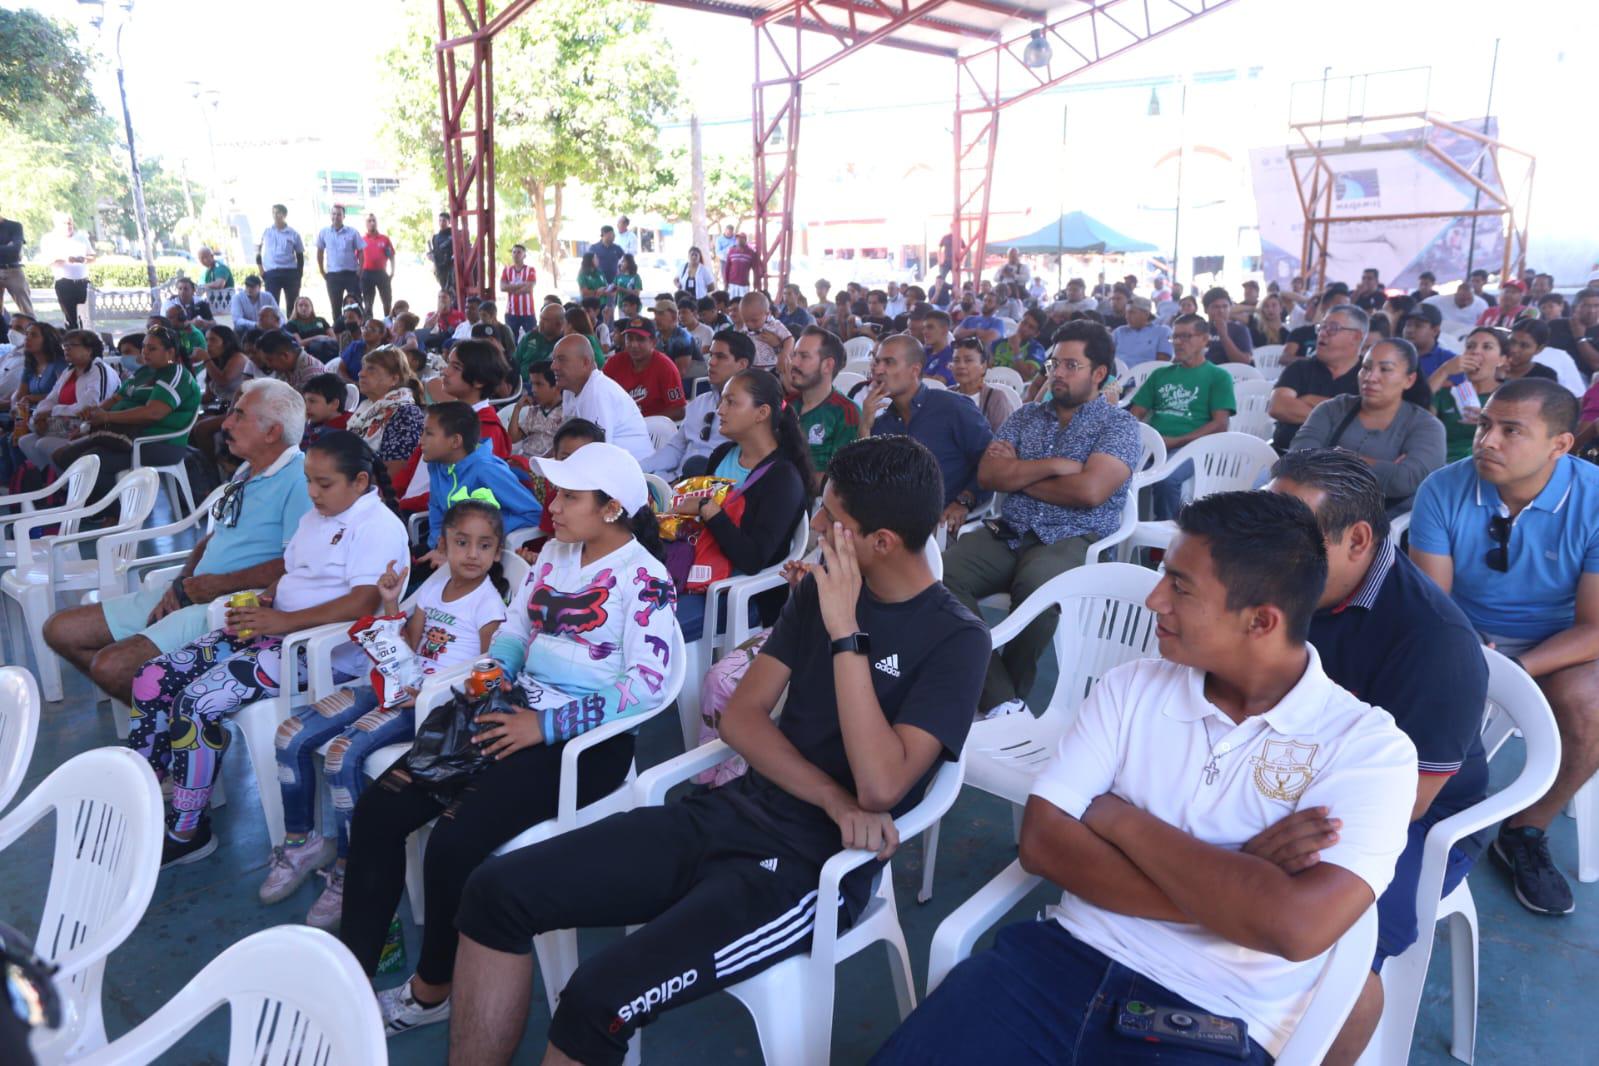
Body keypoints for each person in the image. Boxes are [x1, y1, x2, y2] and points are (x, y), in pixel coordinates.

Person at [447, 434, 983, 1064]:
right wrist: (831, 797)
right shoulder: (819, 590)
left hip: (810, 872)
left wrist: (847, 635)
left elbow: (881, 787)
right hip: (736, 812)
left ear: (880, 542)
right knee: (493, 892)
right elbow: (742, 719)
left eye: (831, 519)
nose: (815, 526)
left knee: (597, 996)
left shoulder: (956, 638)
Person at [877, 491, 1416, 1066]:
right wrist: (1243, 883)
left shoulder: (1367, 750)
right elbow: (1041, 844)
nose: (1155, 599)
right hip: (1058, 960)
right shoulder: (1130, 686)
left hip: (1215, 1018)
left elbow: (1294, 926)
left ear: (1261, 620)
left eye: (1180, 587)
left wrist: (1116, 817)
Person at [337, 441, 678, 1035]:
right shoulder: (553, 554)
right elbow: (518, 625)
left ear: (612, 509)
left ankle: (432, 990)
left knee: (452, 842)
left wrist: (544, 726)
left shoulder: (643, 579)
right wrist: (500, 669)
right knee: (380, 808)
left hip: (583, 744)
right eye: (556, 492)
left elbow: (647, 685)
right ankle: (350, 976)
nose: (554, 505)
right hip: (515, 709)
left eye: (570, 496)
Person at [1266, 449, 1489, 1062]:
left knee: (1331, 963)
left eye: (1286, 536)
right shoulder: (1281, 584)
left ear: (1357, 540)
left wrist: (1266, 822)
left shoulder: (1433, 641)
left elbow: (1405, 804)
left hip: (1420, 818)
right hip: (1293, 772)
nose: (1263, 552)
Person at [131, 430, 409, 868]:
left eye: (324, 483)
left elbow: (363, 602)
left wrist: (282, 621)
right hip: (274, 630)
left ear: (359, 481)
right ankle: (146, 794)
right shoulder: (317, 517)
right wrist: (269, 597)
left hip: (320, 652)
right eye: (309, 481)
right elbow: (296, 570)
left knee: (197, 702)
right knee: (152, 678)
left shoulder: (378, 527)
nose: (312, 493)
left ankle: (189, 828)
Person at [264, 499, 509, 927]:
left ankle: (348, 869)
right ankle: (301, 840)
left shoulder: (486, 605)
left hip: (429, 705)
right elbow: (408, 644)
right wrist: (392, 602)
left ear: (497, 552)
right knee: (290, 734)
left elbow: (491, 671)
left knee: (342, 755)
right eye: (462, 542)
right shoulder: (434, 584)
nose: (472, 554)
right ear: (443, 545)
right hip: (393, 685)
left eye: (484, 546)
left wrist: (433, 691)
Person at [1410, 378, 1599, 916]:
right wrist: (1469, 650)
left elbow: (1594, 628)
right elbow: (1433, 604)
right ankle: (1424, 820)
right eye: (1486, 424)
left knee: (1591, 703)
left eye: (1511, 430)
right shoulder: (1444, 489)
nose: (1487, 441)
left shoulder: (1594, 499)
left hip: (1558, 642)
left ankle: (1525, 830)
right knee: (1414, 687)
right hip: (1462, 631)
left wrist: (1516, 668)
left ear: (1559, 445)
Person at [44, 379, 313, 705]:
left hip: (229, 606)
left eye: (239, 416)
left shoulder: (299, 480)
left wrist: (214, 586)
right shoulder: (247, 470)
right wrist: (181, 584)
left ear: (272, 432)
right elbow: (216, 535)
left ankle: (176, 720)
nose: (226, 423)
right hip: (196, 591)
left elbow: (297, 563)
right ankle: (169, 714)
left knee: (112, 667)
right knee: (60, 630)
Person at [942, 321, 1140, 718]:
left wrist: (1020, 476)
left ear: (1099, 373)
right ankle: (1001, 698)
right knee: (936, 576)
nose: (1057, 374)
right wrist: (1056, 467)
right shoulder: (1026, 415)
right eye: (1053, 364)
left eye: (1071, 365)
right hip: (1008, 531)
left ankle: (1002, 694)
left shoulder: (1118, 425)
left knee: (1038, 590)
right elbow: (989, 476)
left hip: (1069, 536)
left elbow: (1090, 492)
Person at [669, 367, 813, 641]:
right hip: (698, 574)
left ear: (762, 413)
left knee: (655, 624)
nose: (720, 410)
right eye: (721, 400)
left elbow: (753, 559)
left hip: (741, 594)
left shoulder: (782, 478)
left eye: (731, 402)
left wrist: (707, 508)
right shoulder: (723, 454)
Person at [1287, 338, 1444, 515]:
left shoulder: (1427, 427)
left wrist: (1333, 455)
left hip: (1381, 521)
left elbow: (1404, 480)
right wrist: (1382, 466)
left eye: (1385, 369)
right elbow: (1298, 457)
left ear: (1409, 379)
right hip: (1314, 510)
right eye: (1366, 367)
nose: (1370, 377)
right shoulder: (1332, 408)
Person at [49, 324, 200, 502]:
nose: (145, 352)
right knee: (63, 455)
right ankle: (90, 507)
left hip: (158, 443)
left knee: (90, 463)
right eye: (144, 347)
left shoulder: (175, 375)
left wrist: (107, 417)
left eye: (152, 348)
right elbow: (116, 399)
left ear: (170, 353)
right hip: (124, 436)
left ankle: (115, 514)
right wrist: (90, 420)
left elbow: (153, 413)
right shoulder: (144, 372)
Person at [862, 334, 992, 525]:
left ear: (915, 370)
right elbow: (865, 481)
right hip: (888, 522)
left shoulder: (952, 408)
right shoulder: (882, 422)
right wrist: (865, 427)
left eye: (889, 363)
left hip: (941, 525)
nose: (878, 370)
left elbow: (991, 460)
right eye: (877, 361)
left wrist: (965, 500)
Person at [1129, 313, 1236, 518]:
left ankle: (1161, 545)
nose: (1178, 342)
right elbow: (1136, 413)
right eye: (1175, 337)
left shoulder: (1218, 376)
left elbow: (1220, 424)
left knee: (1166, 480)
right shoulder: (1161, 374)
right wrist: (1136, 440)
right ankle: (1118, 539)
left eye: (1186, 336)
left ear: (1205, 339)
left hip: (1192, 449)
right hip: (1152, 447)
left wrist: (1175, 441)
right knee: (1113, 470)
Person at [420, 402, 541, 556]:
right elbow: (436, 509)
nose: (421, 440)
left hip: (480, 555)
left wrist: (484, 531)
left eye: (429, 434)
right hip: (448, 550)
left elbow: (533, 513)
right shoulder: (436, 466)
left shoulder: (486, 470)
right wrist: (439, 544)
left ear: (455, 441)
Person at [646, 329, 751, 479]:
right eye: (712, 355)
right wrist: (639, 468)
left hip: (716, 490)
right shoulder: (700, 403)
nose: (711, 362)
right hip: (677, 482)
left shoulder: (749, 413)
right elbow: (675, 448)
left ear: (742, 364)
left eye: (720, 357)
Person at [1269, 303, 1366, 452]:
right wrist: (1341, 417)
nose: (1322, 333)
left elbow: (1366, 422)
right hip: (1285, 455)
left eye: (1332, 328)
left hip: (1342, 465)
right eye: (1321, 327)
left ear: (1356, 336)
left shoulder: (1368, 377)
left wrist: (1308, 400)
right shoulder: (1300, 367)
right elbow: (1278, 407)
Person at [18, 329, 118, 472]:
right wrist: (40, 415)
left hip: (89, 426)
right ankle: (53, 482)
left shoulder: (99, 371)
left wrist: (52, 412)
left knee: (43, 443)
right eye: (65, 346)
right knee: (25, 441)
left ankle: (67, 486)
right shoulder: (69, 371)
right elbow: (51, 398)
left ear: (89, 350)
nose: (66, 349)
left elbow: (90, 407)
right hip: (64, 422)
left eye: (72, 345)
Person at [552, 334, 652, 461]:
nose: (553, 366)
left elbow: (595, 454)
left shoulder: (597, 393)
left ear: (585, 362)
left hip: (634, 471)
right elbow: (565, 442)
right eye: (554, 360)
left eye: (561, 360)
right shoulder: (570, 389)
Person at [789, 326, 860, 487]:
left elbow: (840, 479)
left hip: (815, 503)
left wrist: (784, 482)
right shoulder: (786, 404)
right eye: (794, 355)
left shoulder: (846, 412)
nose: (794, 362)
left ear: (827, 365)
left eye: (804, 357)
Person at [350, 345, 427, 484]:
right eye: (363, 368)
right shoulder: (367, 407)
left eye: (371, 369)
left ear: (394, 379)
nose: (361, 373)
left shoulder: (405, 413)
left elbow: (394, 472)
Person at [1432, 327, 1506, 462]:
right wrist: (1443, 371)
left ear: (1501, 360)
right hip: (1441, 465)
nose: (1475, 351)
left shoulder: (1510, 396)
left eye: (1487, 347)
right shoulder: (1447, 394)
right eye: (1470, 346)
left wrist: (1489, 422)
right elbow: (1415, 415)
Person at [602, 324, 686, 421]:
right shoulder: (615, 362)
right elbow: (599, 392)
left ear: (653, 342)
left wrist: (641, 421)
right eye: (629, 339)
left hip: (654, 430)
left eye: (640, 339)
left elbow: (679, 410)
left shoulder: (665, 367)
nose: (634, 345)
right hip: (620, 424)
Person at [950, 336, 1020, 434]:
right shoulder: (946, 395)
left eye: (968, 360)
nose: (961, 365)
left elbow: (1003, 440)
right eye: (956, 360)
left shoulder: (996, 398)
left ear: (983, 366)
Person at [1507, 318, 1585, 397]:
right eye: (1512, 342)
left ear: (1539, 349)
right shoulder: (1495, 365)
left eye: (1524, 346)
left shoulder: (1545, 376)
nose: (1514, 349)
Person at [317, 205, 365, 321]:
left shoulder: (352, 232)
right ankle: (339, 333)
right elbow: (320, 252)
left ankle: (360, 327)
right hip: (333, 275)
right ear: (330, 215)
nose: (336, 217)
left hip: (351, 274)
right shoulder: (324, 232)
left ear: (344, 216)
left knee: (356, 304)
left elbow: (361, 252)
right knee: (335, 306)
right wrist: (322, 271)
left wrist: (360, 270)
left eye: (339, 214)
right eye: (333, 214)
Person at [43, 218, 92, 330]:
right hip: (64, 283)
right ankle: (73, 339)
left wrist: (82, 259)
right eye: (64, 223)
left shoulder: (82, 238)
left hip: (83, 282)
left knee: (85, 317)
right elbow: (49, 262)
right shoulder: (50, 240)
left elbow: (92, 257)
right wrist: (66, 260)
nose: (68, 226)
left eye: (70, 223)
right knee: (71, 319)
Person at [508, 361, 564, 459]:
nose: (533, 389)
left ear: (557, 387)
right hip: (523, 459)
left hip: (543, 465)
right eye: (532, 384)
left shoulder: (565, 413)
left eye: (539, 384)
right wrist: (517, 408)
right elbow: (513, 438)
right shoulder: (534, 411)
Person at [258, 204, 307, 310]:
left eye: (278, 212)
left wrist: (299, 274)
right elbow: (258, 251)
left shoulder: (293, 234)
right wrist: (261, 270)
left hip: (290, 273)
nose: (275, 215)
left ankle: (291, 326)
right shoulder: (266, 232)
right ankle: (274, 327)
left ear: (284, 215)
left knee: (293, 305)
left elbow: (300, 256)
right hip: (272, 273)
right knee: (272, 306)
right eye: (273, 212)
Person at [733, 291, 793, 377]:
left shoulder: (774, 325)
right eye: (746, 320)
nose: (749, 324)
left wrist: (784, 354)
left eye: (754, 320)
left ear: (767, 314)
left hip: (773, 367)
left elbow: (789, 339)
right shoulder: (744, 329)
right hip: (752, 368)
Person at [1549, 287, 1599, 377]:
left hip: (1586, 380)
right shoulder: (1555, 325)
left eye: (1596, 306)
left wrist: (1580, 338)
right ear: (1574, 308)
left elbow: (1597, 365)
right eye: (1586, 306)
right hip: (1552, 374)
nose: (1592, 311)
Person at [1111, 295, 1173, 366]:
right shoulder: (1119, 332)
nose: (1127, 316)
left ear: (1146, 314)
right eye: (1126, 313)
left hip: (1146, 375)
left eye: (1131, 312)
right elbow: (1107, 355)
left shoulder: (1162, 332)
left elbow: (1162, 363)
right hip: (1117, 374)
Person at [357, 214, 396, 319]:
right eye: (369, 221)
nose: (372, 223)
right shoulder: (361, 240)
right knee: (368, 304)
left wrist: (392, 272)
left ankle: (388, 323)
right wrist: (358, 273)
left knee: (387, 301)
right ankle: (369, 325)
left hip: (381, 274)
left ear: (377, 222)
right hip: (366, 275)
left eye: (374, 220)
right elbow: (356, 258)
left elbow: (391, 255)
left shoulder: (384, 239)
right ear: (366, 224)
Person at [1202, 287, 1254, 365]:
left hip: (1233, 375)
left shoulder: (1240, 329)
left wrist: (1224, 336)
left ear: (1230, 308)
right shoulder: (1198, 329)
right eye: (1216, 307)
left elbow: (1245, 362)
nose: (1221, 311)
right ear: (1206, 309)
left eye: (1225, 306)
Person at [992, 308, 1048, 380]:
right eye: (1024, 322)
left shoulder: (1036, 349)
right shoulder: (1000, 342)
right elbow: (988, 365)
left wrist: (1016, 349)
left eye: (1031, 327)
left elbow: (1028, 375)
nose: (1024, 328)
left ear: (1036, 334)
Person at [300, 372, 351, 447]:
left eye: (312, 401)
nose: (306, 407)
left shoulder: (346, 430)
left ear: (334, 404)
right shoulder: (312, 424)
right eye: (305, 401)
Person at [0, 209, 32, 317]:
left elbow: (15, 250)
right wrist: (6, 247)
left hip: (13, 271)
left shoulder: (15, 226)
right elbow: (10, 250)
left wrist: (12, 248)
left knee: (26, 310)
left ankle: (32, 331)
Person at [920, 310, 956, 385]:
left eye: (930, 327)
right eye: (924, 328)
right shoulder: (924, 352)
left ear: (944, 330)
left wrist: (911, 374)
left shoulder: (952, 355)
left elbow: (937, 383)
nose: (924, 331)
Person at [722, 232, 758, 297]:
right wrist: (726, 282)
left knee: (743, 304)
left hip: (744, 284)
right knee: (732, 303)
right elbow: (727, 268)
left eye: (741, 238)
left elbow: (755, 269)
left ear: (745, 240)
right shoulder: (731, 251)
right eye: (737, 238)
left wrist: (755, 283)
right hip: (732, 283)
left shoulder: (751, 252)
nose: (738, 240)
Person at [429, 212, 455, 294]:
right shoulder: (435, 237)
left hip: (451, 267)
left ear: (449, 222)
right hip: (439, 268)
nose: (441, 223)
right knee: (444, 291)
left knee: (452, 290)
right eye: (440, 220)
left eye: (444, 221)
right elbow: (434, 251)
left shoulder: (453, 235)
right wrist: (430, 255)